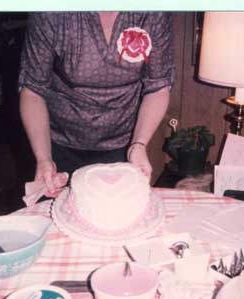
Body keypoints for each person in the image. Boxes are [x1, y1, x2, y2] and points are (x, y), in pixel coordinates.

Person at [18, 12, 174, 195]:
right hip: (58, 145)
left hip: (125, 146)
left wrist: (139, 144)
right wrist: (44, 158)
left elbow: (157, 86)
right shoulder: (51, 13)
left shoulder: (154, 13)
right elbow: (33, 89)